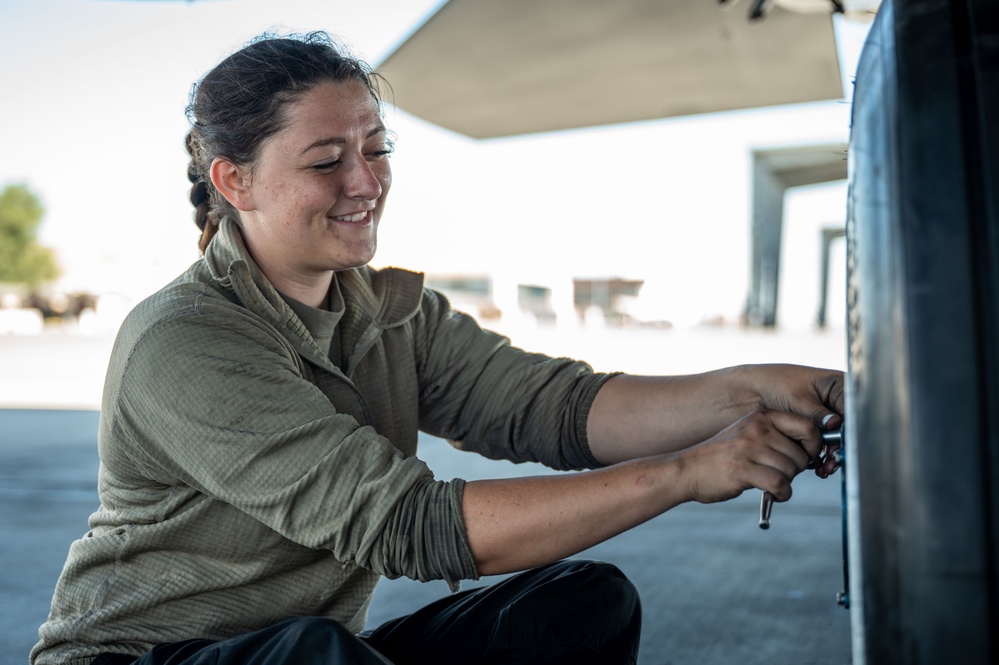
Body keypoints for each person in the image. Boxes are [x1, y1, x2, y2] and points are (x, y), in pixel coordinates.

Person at [31, 31, 844, 665]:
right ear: (234, 182)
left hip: (312, 649)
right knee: (316, 653)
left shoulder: (391, 315)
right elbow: (410, 526)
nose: (365, 182)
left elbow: (557, 409)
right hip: (138, 654)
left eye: (376, 149)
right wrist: (687, 471)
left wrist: (754, 390)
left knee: (577, 604)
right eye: (327, 160)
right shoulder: (187, 338)